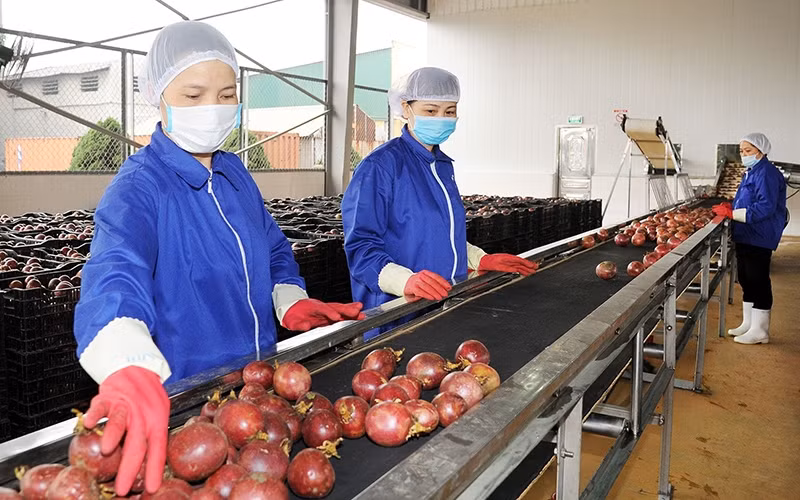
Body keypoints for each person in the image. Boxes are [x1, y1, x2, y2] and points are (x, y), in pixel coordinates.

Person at [72, 21, 364, 496]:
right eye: (193, 95)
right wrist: (126, 361)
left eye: (227, 93)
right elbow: (114, 273)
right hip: (190, 412)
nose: (213, 107)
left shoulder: (234, 172)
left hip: (259, 397)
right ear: (157, 96)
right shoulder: (139, 189)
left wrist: (289, 299)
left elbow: (271, 246)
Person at [341, 67, 536, 336]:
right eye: (431, 111)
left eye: (450, 111)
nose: (442, 119)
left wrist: (479, 259)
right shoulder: (380, 167)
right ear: (405, 108)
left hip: (442, 303)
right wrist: (405, 280)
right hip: (396, 315)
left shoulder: (443, 166)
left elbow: (441, 232)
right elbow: (361, 248)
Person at [713, 132, 786, 345]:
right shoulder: (752, 171)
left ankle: (761, 330)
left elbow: (765, 206)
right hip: (746, 233)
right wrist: (732, 206)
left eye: (748, 151)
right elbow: (748, 199)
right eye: (742, 151)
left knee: (758, 279)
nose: (744, 154)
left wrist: (732, 214)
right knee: (746, 278)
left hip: (759, 234)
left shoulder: (766, 173)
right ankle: (749, 323)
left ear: (761, 151)